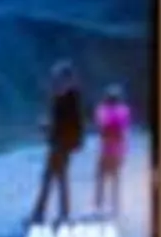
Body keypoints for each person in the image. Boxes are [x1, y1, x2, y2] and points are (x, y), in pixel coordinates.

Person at [30, 61, 85, 228]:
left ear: (67, 79)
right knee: (51, 178)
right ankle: (43, 214)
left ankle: (56, 215)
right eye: (55, 79)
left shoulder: (71, 99)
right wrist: (47, 128)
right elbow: (60, 123)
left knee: (57, 179)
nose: (55, 82)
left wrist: (50, 129)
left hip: (62, 145)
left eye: (58, 78)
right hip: (56, 143)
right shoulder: (60, 98)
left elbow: (73, 125)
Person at [94, 85, 132, 218]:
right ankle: (115, 204)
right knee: (115, 177)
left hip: (106, 149)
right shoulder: (124, 110)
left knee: (101, 176)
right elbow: (125, 127)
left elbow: (100, 125)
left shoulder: (103, 110)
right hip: (117, 149)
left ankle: (99, 203)